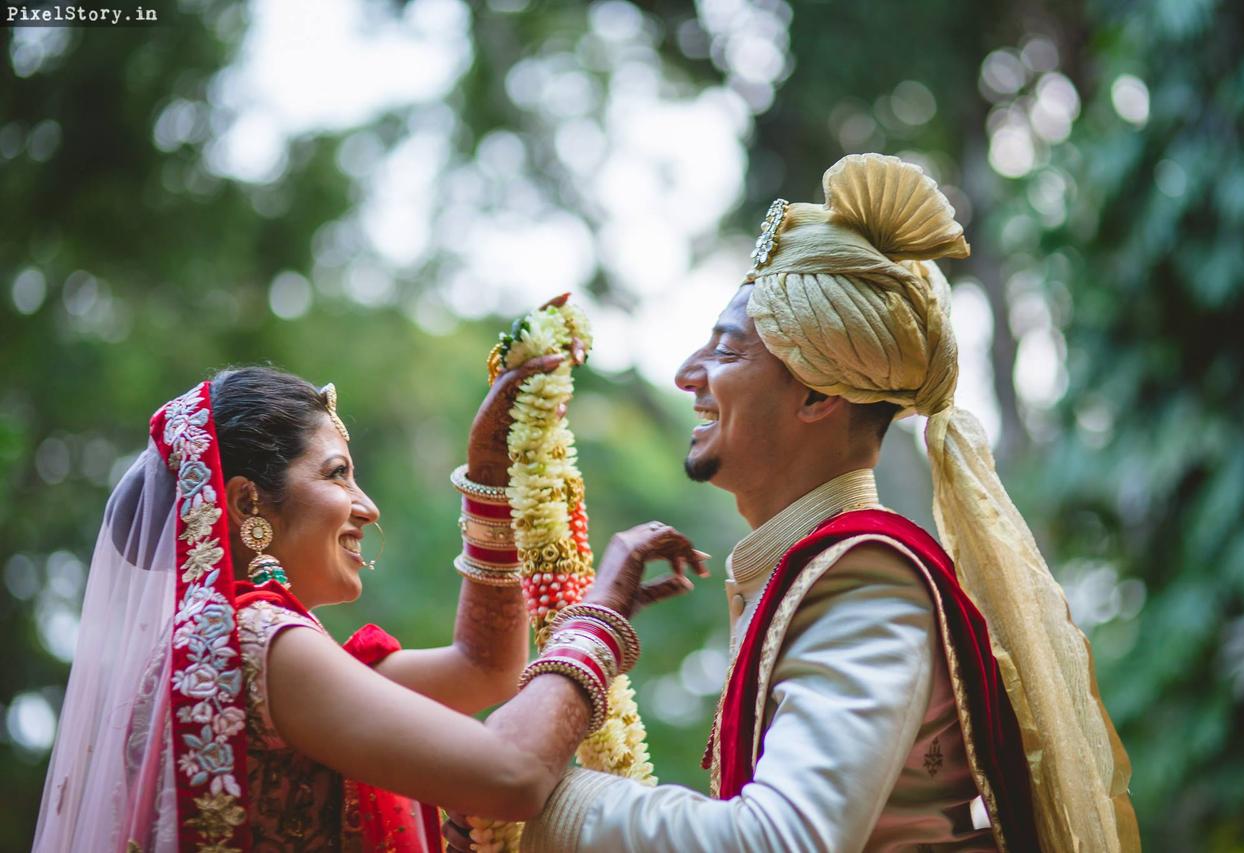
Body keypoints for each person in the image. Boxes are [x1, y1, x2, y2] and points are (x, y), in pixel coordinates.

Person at [460, 154, 1139, 852]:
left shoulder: (864, 579)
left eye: (724, 352)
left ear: (817, 394)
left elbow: (777, 841)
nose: (686, 374)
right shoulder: (807, 571)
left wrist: (540, 807)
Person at [33, 363, 705, 852]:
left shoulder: (221, 653)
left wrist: (490, 482)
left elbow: (482, 670)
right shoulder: (260, 642)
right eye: (336, 474)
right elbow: (514, 772)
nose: (368, 505)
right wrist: (602, 611)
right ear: (246, 504)